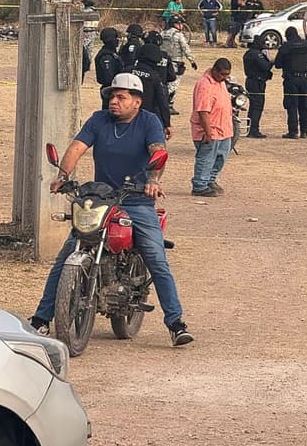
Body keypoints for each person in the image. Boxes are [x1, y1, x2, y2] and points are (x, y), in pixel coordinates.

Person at [29, 73, 194, 347]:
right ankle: (41, 319)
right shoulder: (99, 120)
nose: (113, 101)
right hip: (101, 199)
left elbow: (158, 152)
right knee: (67, 254)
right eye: (111, 96)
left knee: (156, 258)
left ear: (137, 102)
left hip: (136, 200)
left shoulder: (149, 122)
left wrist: (153, 181)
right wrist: (63, 175)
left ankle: (176, 324)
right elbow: (77, 147)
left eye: (121, 97)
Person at [190, 58, 233, 197]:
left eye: (227, 75)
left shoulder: (221, 83)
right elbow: (203, 111)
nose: (224, 77)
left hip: (223, 129)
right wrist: (208, 132)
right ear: (214, 70)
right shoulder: (204, 85)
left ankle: (210, 180)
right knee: (206, 158)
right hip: (210, 130)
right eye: (222, 74)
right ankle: (200, 185)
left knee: (220, 157)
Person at [275, 26, 307, 139]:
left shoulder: (286, 47)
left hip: (291, 79)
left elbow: (278, 64)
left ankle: (293, 131)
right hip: (306, 79)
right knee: (305, 105)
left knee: (292, 105)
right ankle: (304, 131)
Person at [131, 43, 172, 137]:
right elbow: (162, 102)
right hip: (147, 118)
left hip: (126, 116)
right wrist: (167, 124)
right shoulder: (154, 77)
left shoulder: (126, 71)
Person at [161, 15, 197, 114]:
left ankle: (163, 103)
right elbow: (185, 48)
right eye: (180, 23)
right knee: (174, 84)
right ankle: (168, 105)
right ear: (176, 24)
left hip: (163, 62)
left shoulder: (163, 33)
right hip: (175, 62)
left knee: (164, 83)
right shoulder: (178, 35)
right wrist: (192, 61)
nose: (182, 25)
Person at [242, 34, 272, 139]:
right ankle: (254, 130)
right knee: (257, 106)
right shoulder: (257, 54)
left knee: (253, 106)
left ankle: (250, 128)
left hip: (250, 81)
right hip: (257, 82)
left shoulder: (248, 53)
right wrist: (271, 61)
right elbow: (265, 66)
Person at [94, 27, 124, 109]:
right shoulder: (106, 56)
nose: (117, 40)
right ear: (110, 40)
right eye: (116, 38)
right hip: (110, 89)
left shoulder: (112, 53)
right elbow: (108, 78)